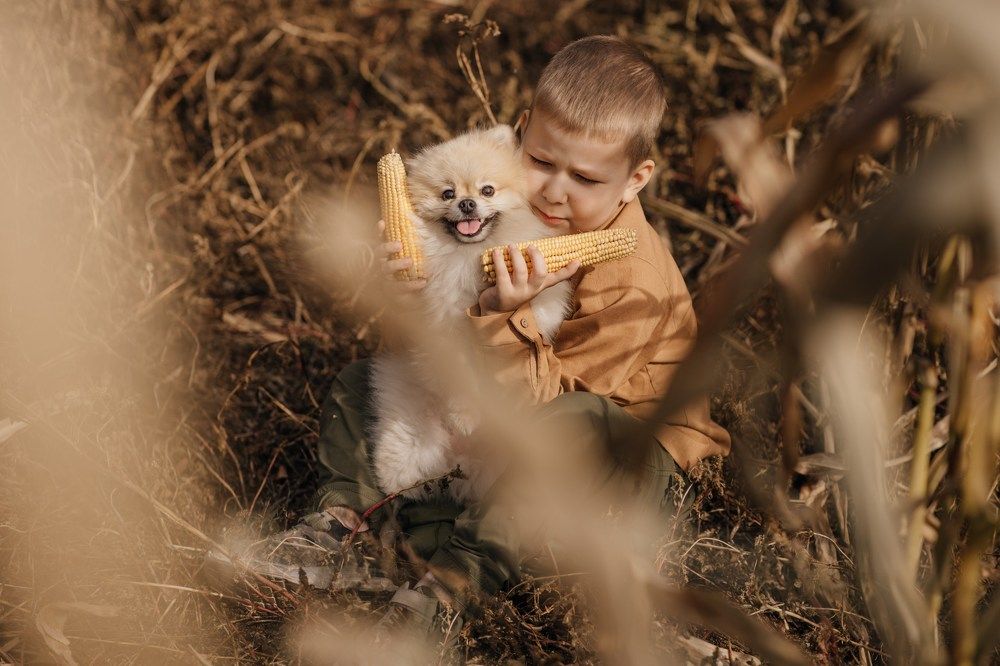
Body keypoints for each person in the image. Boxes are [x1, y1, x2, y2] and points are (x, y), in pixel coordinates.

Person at [217, 35, 731, 649]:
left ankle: (456, 584)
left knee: (572, 422)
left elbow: (558, 410)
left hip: (625, 457)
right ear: (517, 138)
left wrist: (500, 315)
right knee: (363, 383)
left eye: (586, 177)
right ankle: (344, 527)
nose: (554, 192)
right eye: (541, 161)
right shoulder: (501, 212)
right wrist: (411, 289)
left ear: (634, 180)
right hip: (502, 438)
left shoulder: (632, 278)